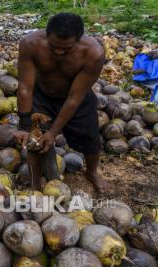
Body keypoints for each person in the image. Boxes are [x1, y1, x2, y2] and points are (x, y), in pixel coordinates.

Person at [13, 13, 110, 194]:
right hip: (42, 96)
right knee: (34, 140)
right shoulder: (30, 43)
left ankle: (91, 172)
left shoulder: (93, 53)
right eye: (53, 46)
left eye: (66, 49)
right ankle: (35, 184)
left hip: (77, 100)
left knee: (91, 141)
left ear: (79, 39)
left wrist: (54, 131)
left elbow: (74, 98)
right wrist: (25, 124)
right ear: (46, 34)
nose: (58, 52)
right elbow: (25, 86)